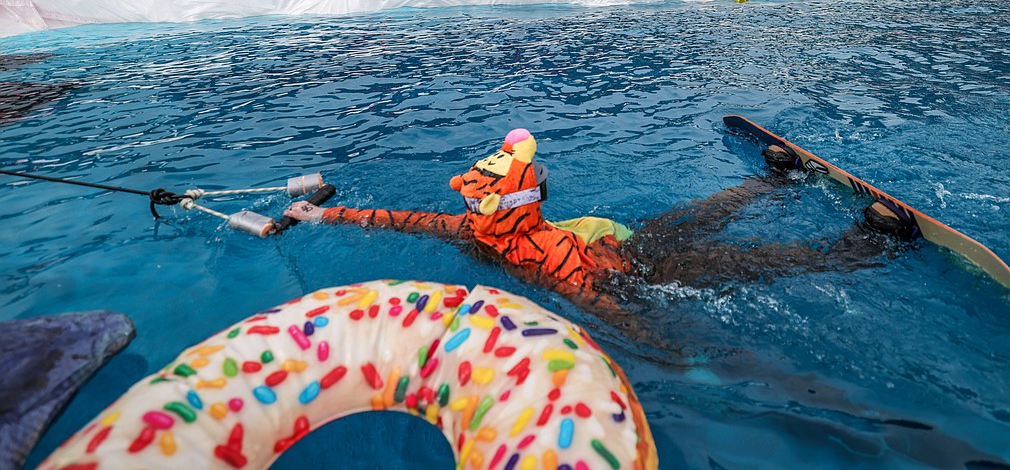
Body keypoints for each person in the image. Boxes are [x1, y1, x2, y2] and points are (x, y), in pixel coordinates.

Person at [283, 129, 913, 320]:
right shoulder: (520, 253)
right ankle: (865, 246)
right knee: (761, 260)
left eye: (477, 201)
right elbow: (603, 308)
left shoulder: (478, 230)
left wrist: (324, 213)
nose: (469, 209)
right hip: (641, 275)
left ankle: (774, 181)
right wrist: (676, 358)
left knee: (701, 214)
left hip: (623, 244)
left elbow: (399, 219)